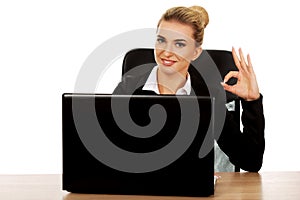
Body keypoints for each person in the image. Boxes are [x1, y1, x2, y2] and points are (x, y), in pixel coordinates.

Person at [113, 6, 265, 172]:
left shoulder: (207, 96)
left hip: (192, 191)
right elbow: (110, 149)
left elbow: (250, 161)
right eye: (161, 40)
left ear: (195, 52)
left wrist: (252, 100)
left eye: (179, 44)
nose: (166, 52)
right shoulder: (129, 86)